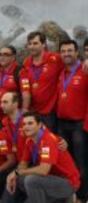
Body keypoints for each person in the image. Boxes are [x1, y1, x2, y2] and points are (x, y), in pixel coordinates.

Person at [3, 112, 80, 203]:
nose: (26, 127)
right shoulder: (30, 140)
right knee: (18, 179)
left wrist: (18, 172)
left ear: (39, 125)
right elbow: (23, 164)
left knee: (31, 180)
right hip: (50, 180)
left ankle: (64, 197)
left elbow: (43, 170)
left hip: (68, 183)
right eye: (24, 124)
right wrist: (13, 174)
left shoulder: (48, 140)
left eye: (30, 123)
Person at [56, 39, 88, 202]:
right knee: (66, 162)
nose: (66, 54)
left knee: (81, 162)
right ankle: (69, 194)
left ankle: (83, 196)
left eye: (70, 50)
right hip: (62, 124)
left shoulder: (85, 70)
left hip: (78, 125)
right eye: (63, 51)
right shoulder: (62, 72)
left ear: (77, 53)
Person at [19, 31, 64, 133]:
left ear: (43, 44)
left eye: (35, 43)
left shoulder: (55, 59)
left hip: (50, 113)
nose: (32, 46)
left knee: (49, 144)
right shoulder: (26, 63)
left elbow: (72, 64)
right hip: (33, 113)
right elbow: (25, 90)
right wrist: (25, 110)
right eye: (29, 44)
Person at [0, 45, 21, 119]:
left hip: (11, 115)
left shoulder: (19, 72)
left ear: (13, 57)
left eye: (6, 55)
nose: (2, 57)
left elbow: (25, 94)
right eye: (0, 54)